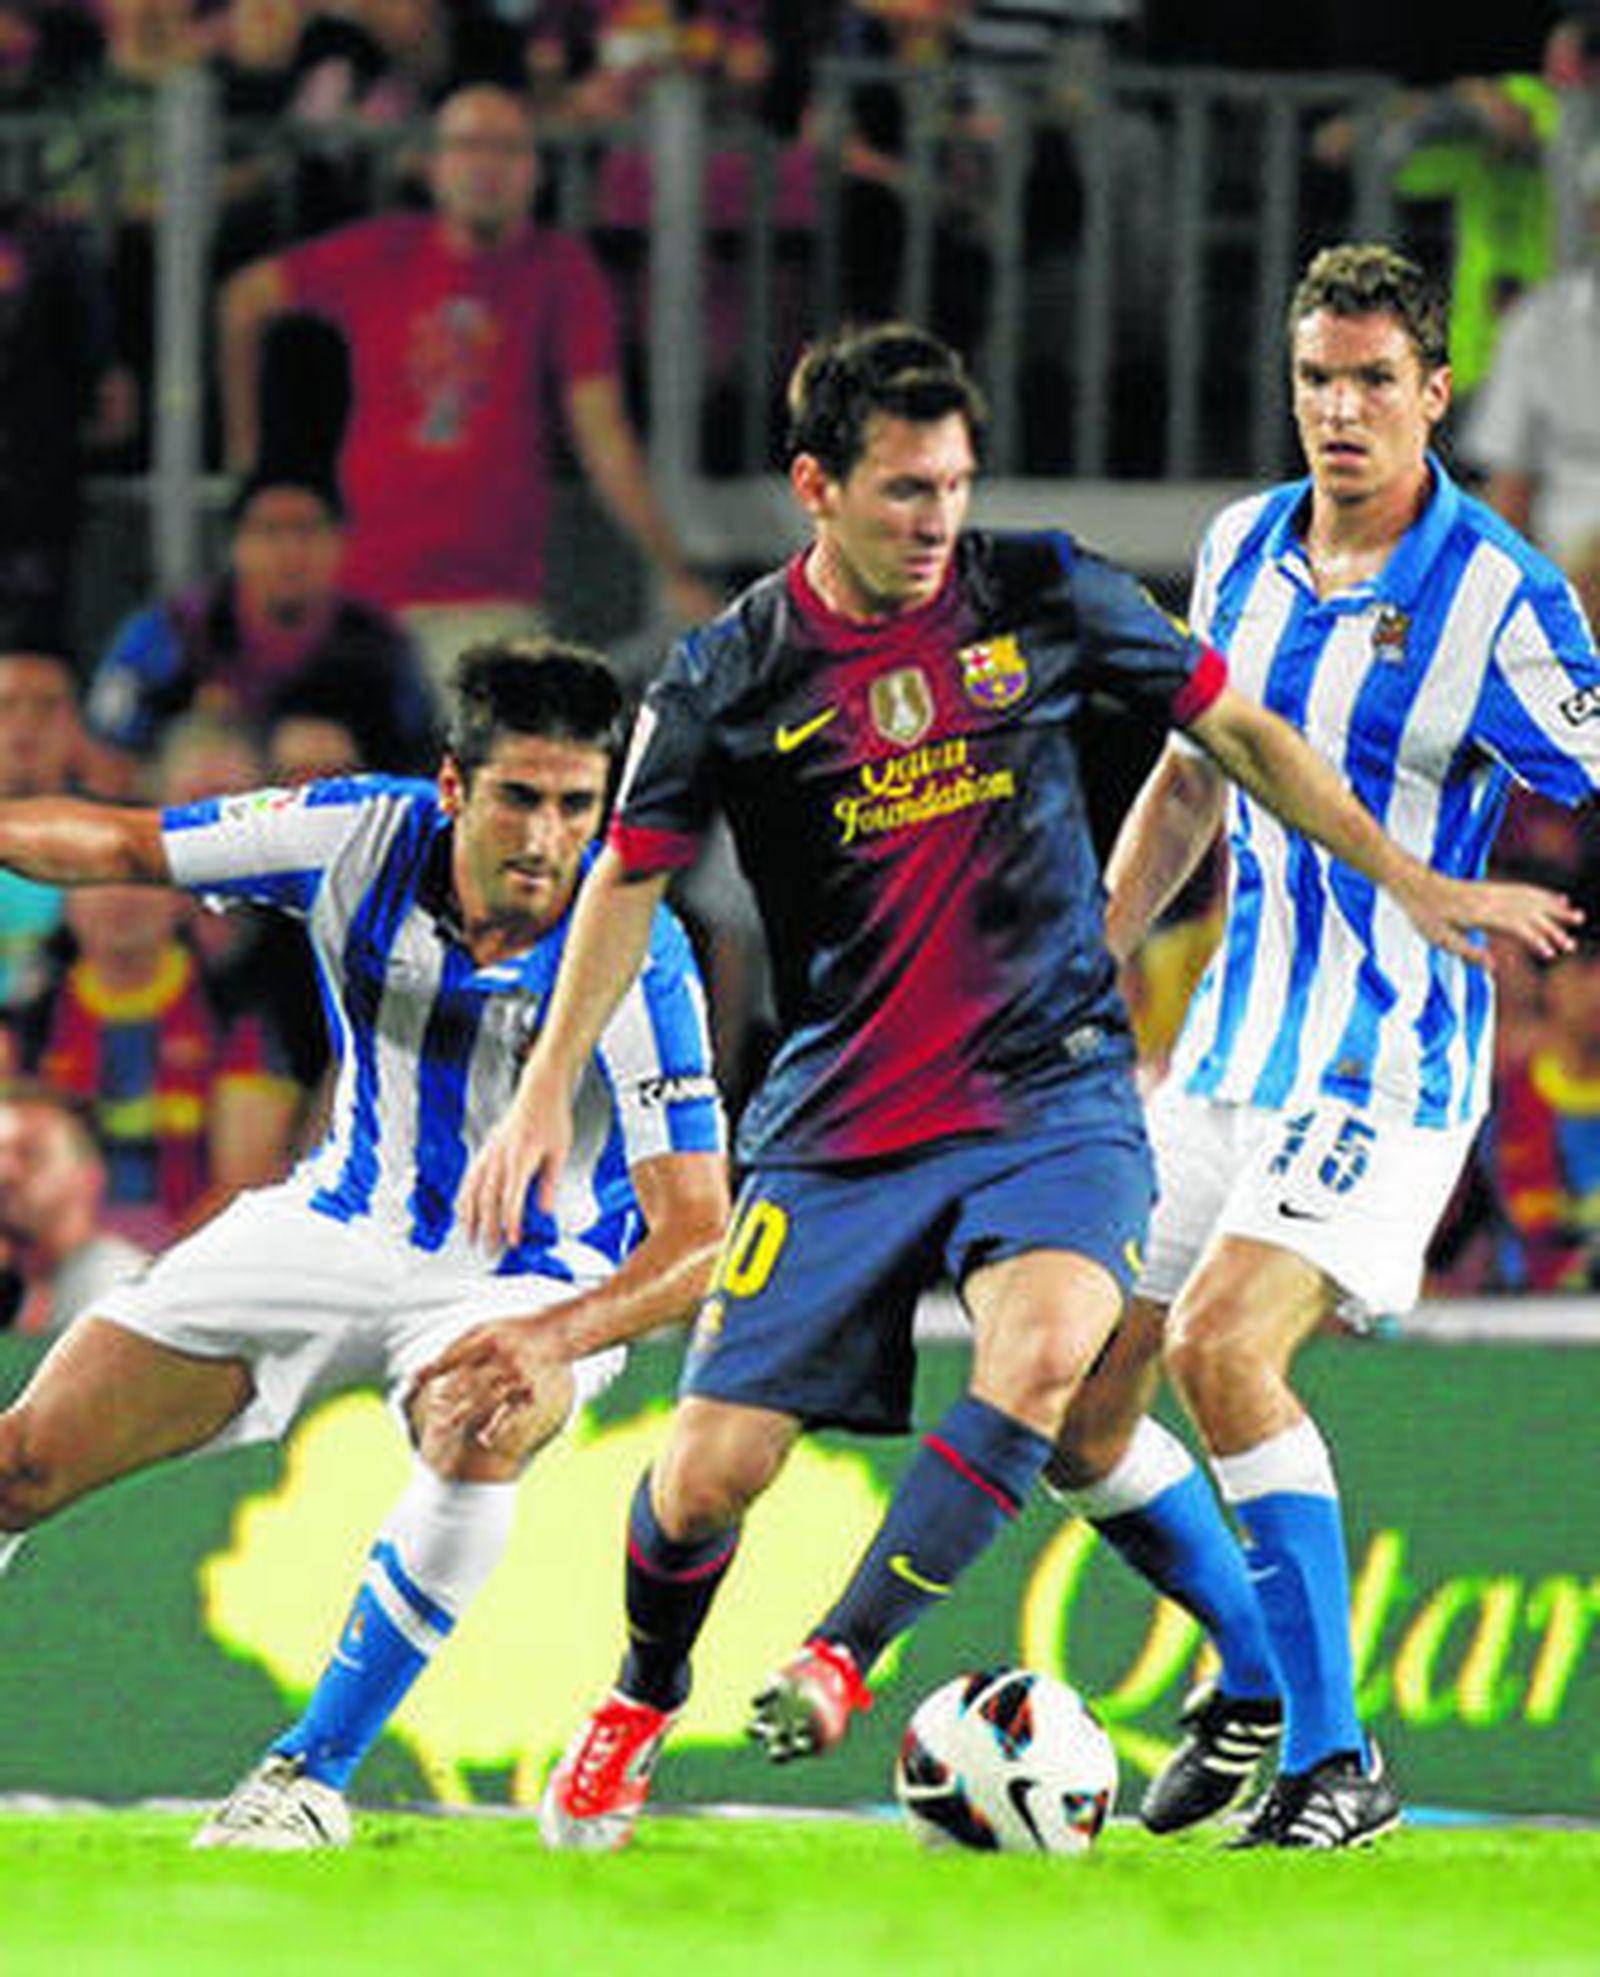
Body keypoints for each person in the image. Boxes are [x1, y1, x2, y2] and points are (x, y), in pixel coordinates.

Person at [419, 320, 1578, 1854]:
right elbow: (626, 891)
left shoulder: (1044, 589)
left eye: (954, 486)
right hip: (843, 1118)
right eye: (903, 491)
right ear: (814, 487)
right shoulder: (722, 677)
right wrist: (540, 1093)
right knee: (708, 1479)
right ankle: (640, 1697)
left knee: (1044, 1363)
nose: (936, 521)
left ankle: (843, 1660)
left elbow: (1234, 734)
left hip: (1057, 1092)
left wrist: (1410, 878)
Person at [1040, 242, 1600, 1851]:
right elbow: (1195, 777)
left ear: (1436, 394)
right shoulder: (1241, 547)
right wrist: (1096, 944)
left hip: (1390, 1059)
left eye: (1372, 382)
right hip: (1226, 1047)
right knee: (1080, 1403)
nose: (1339, 412)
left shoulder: (1501, 594)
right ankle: (1253, 1674)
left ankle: (1338, 1763)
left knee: (1225, 1347)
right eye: (1315, 380)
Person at [0, 638, 729, 1850]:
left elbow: (701, 1238)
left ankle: (304, 1779)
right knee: (19, 1466)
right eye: (518, 799)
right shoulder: (353, 837)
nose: (546, 840)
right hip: (335, 1221)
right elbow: (126, 845)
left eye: (574, 806)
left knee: (478, 1411)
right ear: (453, 786)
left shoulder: (635, 948)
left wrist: (552, 1338)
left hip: (532, 1274)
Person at [217, 83, 720, 694]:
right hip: (358, 594)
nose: (486, 166)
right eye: (467, 146)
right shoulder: (385, 249)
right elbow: (245, 300)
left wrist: (670, 565)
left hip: (488, 596)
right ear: (433, 167)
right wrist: (251, 453)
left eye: (506, 148)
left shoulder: (560, 269)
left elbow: (601, 433)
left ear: (534, 170)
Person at [85, 465, 440, 780]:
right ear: (236, 545)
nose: (289, 552)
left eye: (307, 531)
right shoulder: (172, 631)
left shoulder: (379, 646)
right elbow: (106, 746)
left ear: (339, 544)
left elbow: (420, 760)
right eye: (270, 531)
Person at [0, 1081, 149, 1335]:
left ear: (90, 1175)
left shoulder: (123, 1293)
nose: (5, 1173)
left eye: (30, 1154)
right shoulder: (20, 1288)